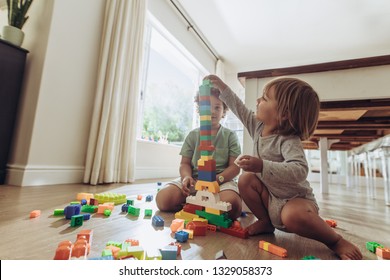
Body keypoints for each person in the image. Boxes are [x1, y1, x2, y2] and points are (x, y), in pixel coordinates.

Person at [205, 74, 362, 260]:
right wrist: (222, 87)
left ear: (284, 113)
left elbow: (300, 170)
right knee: (246, 178)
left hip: (295, 201)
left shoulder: (289, 140)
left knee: (292, 215)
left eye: (264, 98)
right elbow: (239, 108)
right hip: (271, 199)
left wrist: (262, 165)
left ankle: (335, 241)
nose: (257, 100)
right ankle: (265, 222)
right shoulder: (257, 127)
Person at [156, 87, 243, 220]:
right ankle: (197, 206)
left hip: (221, 182)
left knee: (232, 205)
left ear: (223, 111)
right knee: (163, 199)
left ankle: (200, 207)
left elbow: (235, 167)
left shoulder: (230, 136)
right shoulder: (192, 135)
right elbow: (184, 163)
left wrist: (218, 179)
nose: (212, 112)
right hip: (194, 180)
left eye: (217, 107)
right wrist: (186, 177)